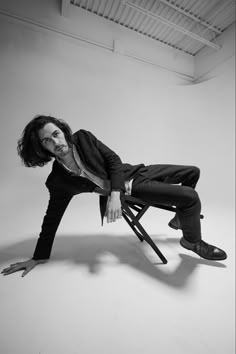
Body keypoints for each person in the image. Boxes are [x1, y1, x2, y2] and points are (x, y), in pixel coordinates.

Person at [1, 115, 227, 277]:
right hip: (133, 189)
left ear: (63, 131)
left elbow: (113, 160)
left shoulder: (83, 138)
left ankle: (180, 219)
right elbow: (51, 218)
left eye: (56, 134)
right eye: (46, 141)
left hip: (133, 173)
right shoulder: (58, 181)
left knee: (192, 171)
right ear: (43, 149)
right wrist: (37, 256)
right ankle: (192, 241)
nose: (56, 142)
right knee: (190, 197)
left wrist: (115, 194)